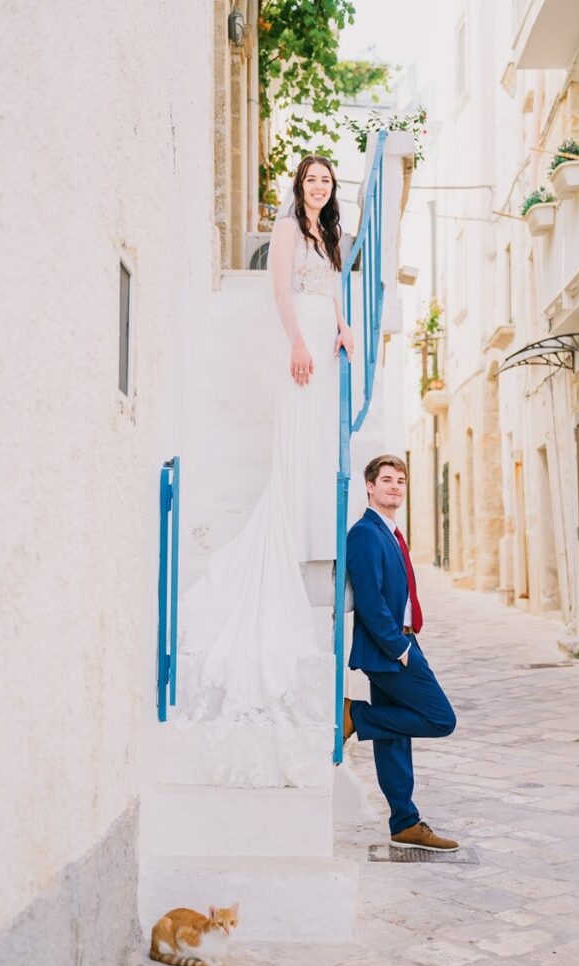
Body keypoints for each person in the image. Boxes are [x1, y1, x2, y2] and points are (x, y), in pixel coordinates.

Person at [175, 156, 354, 786]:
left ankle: (310, 527)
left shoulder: (331, 235)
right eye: (311, 179)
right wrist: (300, 343)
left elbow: (331, 290)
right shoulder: (285, 231)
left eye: (326, 181)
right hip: (297, 343)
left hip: (324, 341)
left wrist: (341, 328)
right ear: (299, 186)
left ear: (332, 191)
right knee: (295, 439)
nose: (317, 188)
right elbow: (282, 291)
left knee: (320, 447)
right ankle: (286, 529)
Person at [343, 455, 459, 850]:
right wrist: (400, 649)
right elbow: (369, 601)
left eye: (401, 481)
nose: (395, 486)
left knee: (394, 736)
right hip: (393, 648)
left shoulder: (389, 532)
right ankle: (354, 714)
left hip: (404, 641)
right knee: (440, 718)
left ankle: (404, 822)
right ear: (370, 487)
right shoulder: (365, 533)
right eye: (387, 480)